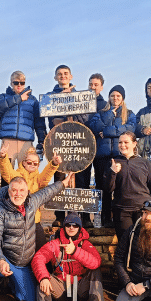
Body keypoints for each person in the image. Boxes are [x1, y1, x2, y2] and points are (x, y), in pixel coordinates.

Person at [0, 172, 73, 301]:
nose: (18, 194)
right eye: (14, 190)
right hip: (6, 258)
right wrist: (1, 260)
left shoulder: (32, 202)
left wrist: (63, 183)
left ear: (27, 191)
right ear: (8, 192)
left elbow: (46, 192)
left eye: (22, 190)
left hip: (23, 263)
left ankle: (8, 285)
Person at [31, 212, 106, 301]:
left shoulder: (85, 244)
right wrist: (44, 278)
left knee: (95, 271)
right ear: (64, 227)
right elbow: (38, 258)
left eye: (75, 225)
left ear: (80, 228)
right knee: (42, 276)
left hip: (79, 290)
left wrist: (75, 251)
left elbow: (96, 262)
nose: (71, 228)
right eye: (68, 225)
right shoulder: (55, 243)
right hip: (60, 289)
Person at [46, 65, 89, 227]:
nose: (63, 76)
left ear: (71, 76)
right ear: (56, 78)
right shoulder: (50, 97)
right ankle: (59, 216)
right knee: (59, 176)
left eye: (65, 74)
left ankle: (82, 217)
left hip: (77, 141)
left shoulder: (80, 96)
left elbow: (85, 119)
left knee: (81, 178)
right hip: (58, 142)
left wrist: (71, 101)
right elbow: (50, 118)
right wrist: (60, 99)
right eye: (59, 74)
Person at [0, 141, 60, 251]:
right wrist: (3, 157)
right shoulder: (16, 175)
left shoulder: (38, 179)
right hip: (17, 221)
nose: (32, 165)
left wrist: (53, 164)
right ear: (24, 163)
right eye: (29, 162)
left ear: (38, 165)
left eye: (35, 164)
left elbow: (46, 177)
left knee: (42, 250)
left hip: (34, 220)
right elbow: (6, 172)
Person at [89, 85, 136, 227]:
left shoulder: (129, 114)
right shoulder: (101, 112)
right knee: (103, 189)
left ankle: (118, 217)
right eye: (112, 96)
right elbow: (95, 127)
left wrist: (108, 131)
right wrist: (110, 114)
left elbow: (130, 129)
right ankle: (104, 219)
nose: (115, 98)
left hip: (119, 155)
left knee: (119, 187)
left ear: (122, 98)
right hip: (101, 157)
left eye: (118, 96)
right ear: (109, 97)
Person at [104, 132, 151, 240]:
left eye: (126, 142)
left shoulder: (145, 163)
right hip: (122, 210)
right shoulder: (113, 162)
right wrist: (113, 172)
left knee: (142, 243)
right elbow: (108, 189)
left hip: (143, 210)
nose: (122, 145)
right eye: (120, 142)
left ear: (134, 143)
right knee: (125, 243)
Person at [0, 71, 47, 187]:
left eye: (22, 83)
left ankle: (25, 201)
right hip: (8, 141)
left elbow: (39, 122)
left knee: (27, 172)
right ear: (11, 83)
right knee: (6, 172)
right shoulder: (2, 97)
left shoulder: (33, 100)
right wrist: (18, 98)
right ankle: (5, 200)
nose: (19, 85)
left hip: (26, 142)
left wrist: (42, 141)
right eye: (16, 82)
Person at [72, 73, 109, 228]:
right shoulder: (80, 102)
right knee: (83, 182)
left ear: (101, 87)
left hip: (100, 148)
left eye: (96, 85)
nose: (92, 87)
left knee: (102, 182)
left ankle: (103, 217)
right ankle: (85, 218)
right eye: (90, 84)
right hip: (82, 147)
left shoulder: (106, 105)